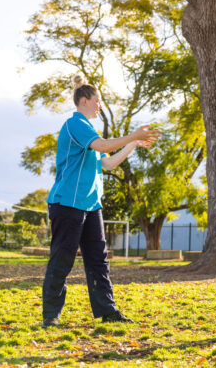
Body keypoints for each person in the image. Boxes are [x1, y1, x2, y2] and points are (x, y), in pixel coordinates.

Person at [42, 76, 159, 328]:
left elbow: (106, 162)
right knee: (62, 260)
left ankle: (108, 311)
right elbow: (104, 145)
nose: (100, 106)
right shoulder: (76, 125)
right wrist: (131, 136)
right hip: (68, 204)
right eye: (98, 101)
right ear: (84, 100)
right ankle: (51, 315)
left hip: (91, 206)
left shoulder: (89, 130)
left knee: (98, 260)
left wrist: (134, 144)